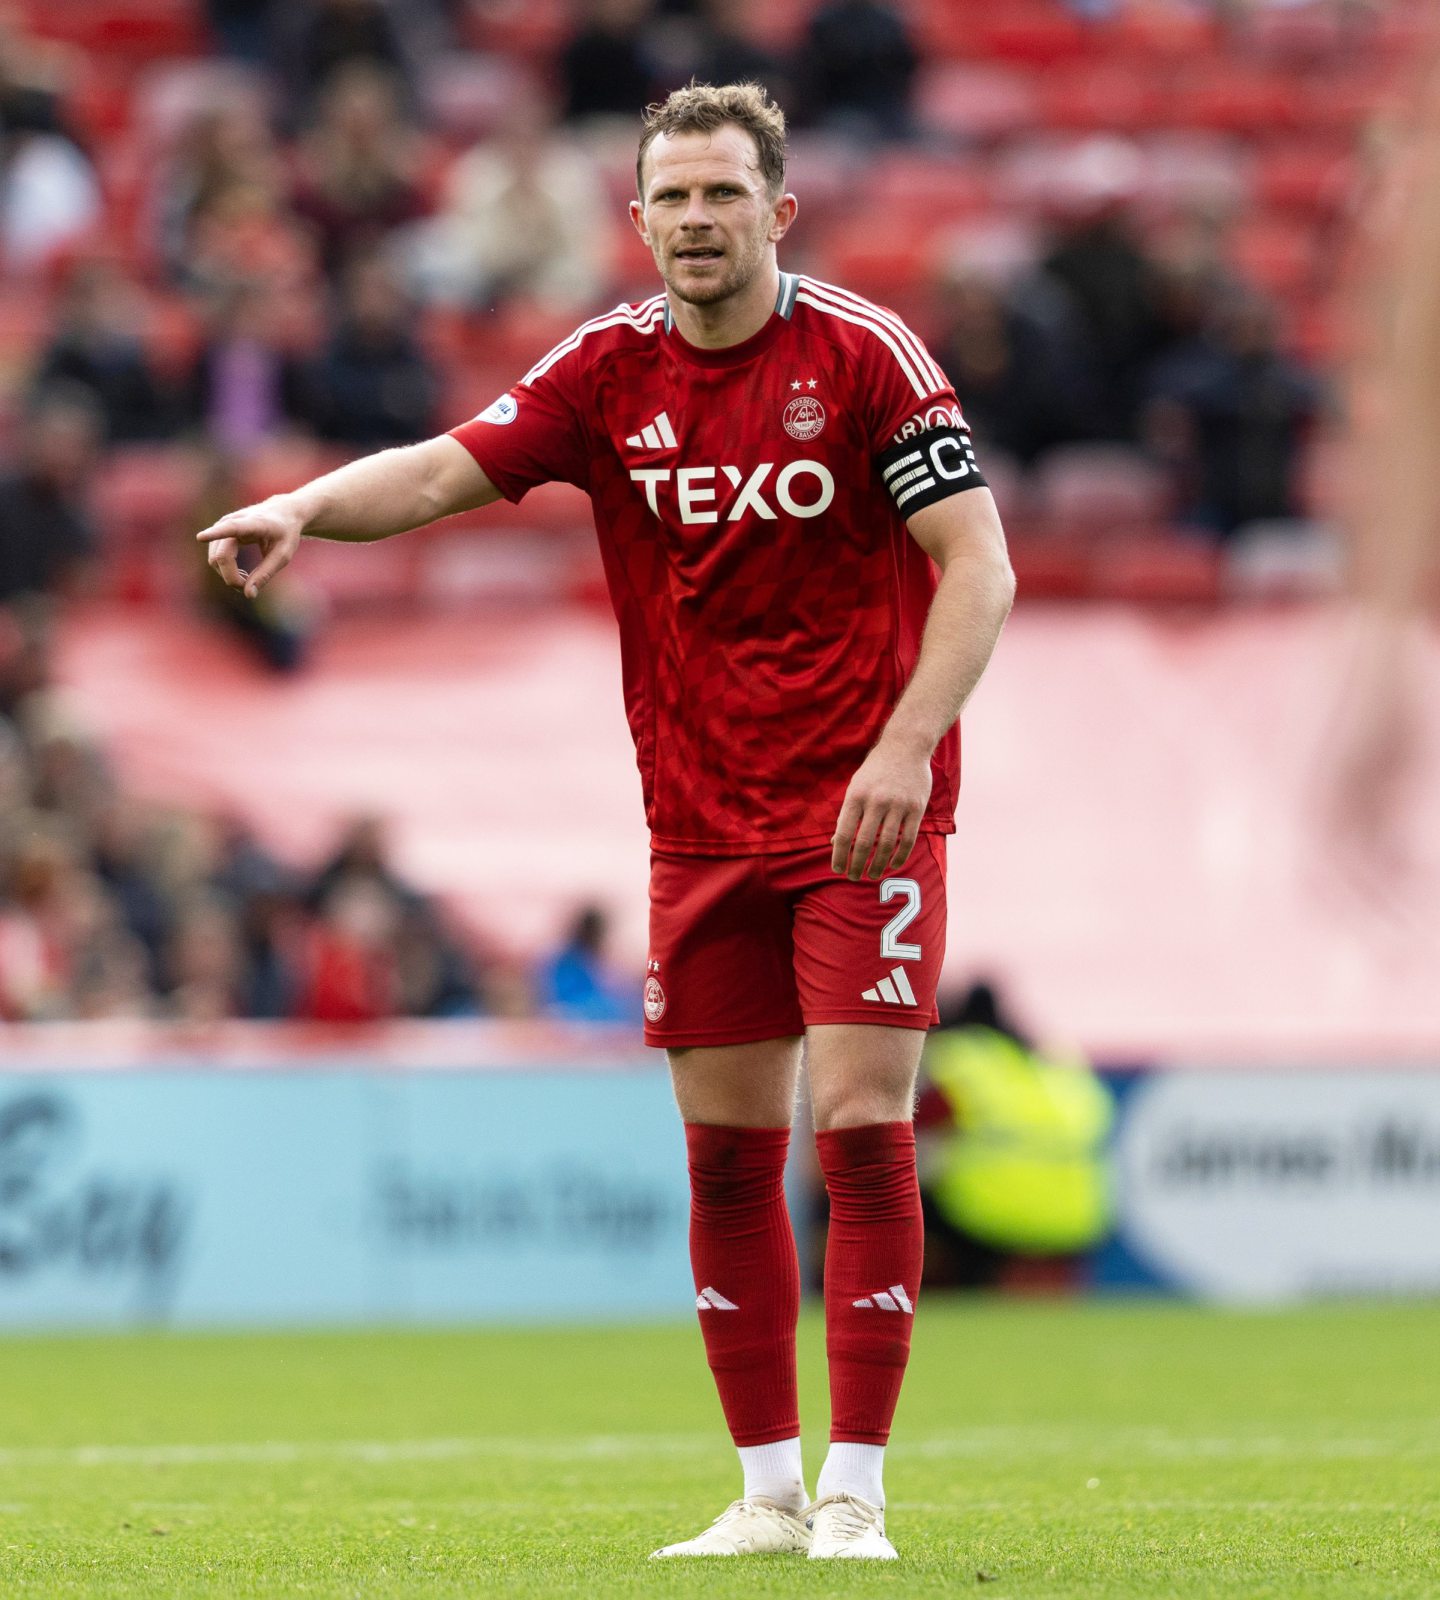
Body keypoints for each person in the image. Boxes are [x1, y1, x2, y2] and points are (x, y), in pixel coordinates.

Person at [197, 81, 1015, 1560]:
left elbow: (979, 566)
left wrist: (906, 751)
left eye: (722, 195)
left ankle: (857, 1494)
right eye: (671, 200)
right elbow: (445, 469)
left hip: (857, 821)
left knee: (861, 1127)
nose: (696, 222)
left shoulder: (869, 358)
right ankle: (767, 1491)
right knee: (720, 1156)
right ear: (635, 221)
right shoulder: (604, 371)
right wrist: (303, 506)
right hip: (696, 826)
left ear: (780, 210)